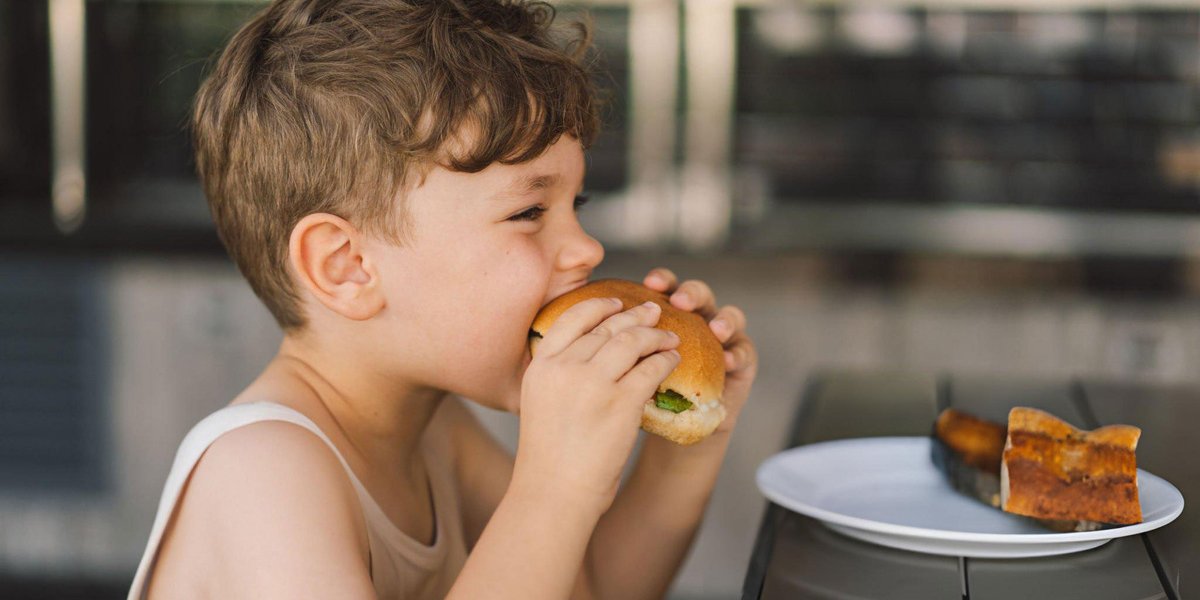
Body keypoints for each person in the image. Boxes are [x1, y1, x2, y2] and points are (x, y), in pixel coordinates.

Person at [127, 0, 758, 598]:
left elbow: (594, 588)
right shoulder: (261, 472)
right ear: (347, 268)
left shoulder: (436, 429)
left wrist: (690, 443)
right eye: (529, 211)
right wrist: (553, 490)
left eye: (577, 204)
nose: (586, 250)